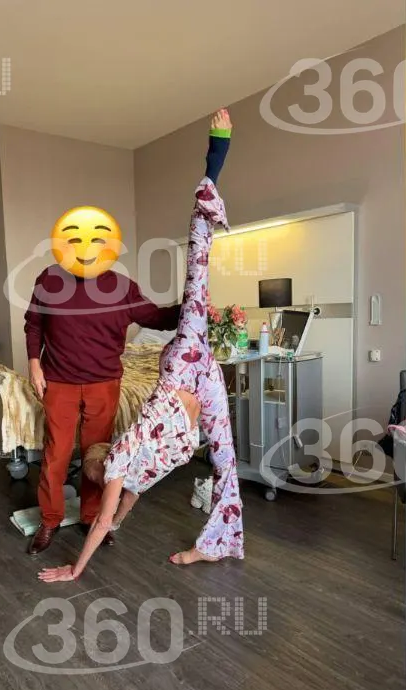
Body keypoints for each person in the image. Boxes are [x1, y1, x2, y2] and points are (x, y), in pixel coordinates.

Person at [38, 108, 242, 582]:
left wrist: (75, 569)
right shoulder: (127, 473)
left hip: (181, 372)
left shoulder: (121, 468)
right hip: (200, 384)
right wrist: (104, 532)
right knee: (227, 462)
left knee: (197, 267)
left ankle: (215, 162)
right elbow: (114, 516)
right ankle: (217, 544)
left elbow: (107, 519)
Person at [23, 197, 180, 556]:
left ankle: (91, 518)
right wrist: (34, 364)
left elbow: (157, 318)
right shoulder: (50, 279)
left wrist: (193, 305)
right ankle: (50, 520)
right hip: (59, 381)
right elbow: (34, 323)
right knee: (56, 455)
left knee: (97, 457)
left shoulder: (123, 287)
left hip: (104, 383)